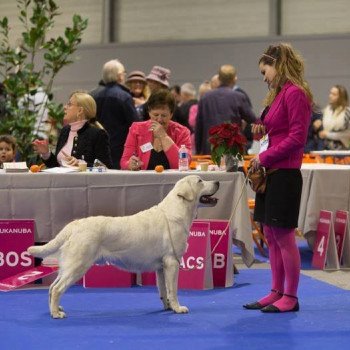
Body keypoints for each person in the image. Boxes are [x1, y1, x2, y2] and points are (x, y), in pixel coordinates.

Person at [244, 43, 313, 313]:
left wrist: (265, 157)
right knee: (271, 234)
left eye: (266, 71)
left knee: (284, 236)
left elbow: (298, 138)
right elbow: (279, 132)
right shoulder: (278, 94)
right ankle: (275, 290)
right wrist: (262, 136)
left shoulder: (295, 93)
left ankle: (291, 296)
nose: (264, 77)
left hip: (284, 174)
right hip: (271, 173)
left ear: (278, 65)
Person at [32, 91, 112, 169]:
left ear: (80, 111)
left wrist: (82, 164)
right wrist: (46, 153)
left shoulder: (98, 134)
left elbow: (106, 167)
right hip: (62, 181)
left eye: (69, 104)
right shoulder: (65, 131)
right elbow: (57, 166)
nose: (65, 107)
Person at [120, 89, 191, 170]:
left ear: (171, 114)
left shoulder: (182, 132)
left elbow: (184, 164)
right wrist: (129, 164)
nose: (159, 120)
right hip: (144, 181)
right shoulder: (136, 129)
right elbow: (124, 162)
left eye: (164, 115)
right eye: (155, 115)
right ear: (149, 112)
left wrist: (163, 136)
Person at [195, 64, 257, 154]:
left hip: (210, 148)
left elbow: (199, 126)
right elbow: (252, 119)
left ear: (219, 78)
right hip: (233, 148)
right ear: (234, 79)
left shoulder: (205, 98)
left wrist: (198, 150)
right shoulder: (239, 97)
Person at [92, 59, 139, 169]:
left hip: (98, 148)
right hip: (120, 148)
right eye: (124, 73)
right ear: (119, 76)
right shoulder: (125, 96)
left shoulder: (94, 95)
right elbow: (135, 124)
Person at [319, 85, 350, 150]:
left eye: (334, 94)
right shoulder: (327, 110)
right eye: (330, 93)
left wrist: (328, 135)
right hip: (326, 149)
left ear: (341, 97)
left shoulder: (347, 112)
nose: (330, 96)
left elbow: (348, 134)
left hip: (343, 150)